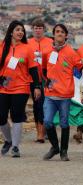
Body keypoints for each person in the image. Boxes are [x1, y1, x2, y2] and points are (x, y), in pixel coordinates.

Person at [42, 24, 83, 161]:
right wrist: (49, 83)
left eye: (62, 32)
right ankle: (55, 147)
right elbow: (44, 69)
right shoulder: (47, 51)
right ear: (53, 34)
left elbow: (81, 68)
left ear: (66, 35)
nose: (59, 33)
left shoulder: (72, 52)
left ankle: (64, 151)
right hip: (50, 94)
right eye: (57, 31)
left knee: (64, 123)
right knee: (48, 122)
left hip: (65, 95)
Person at [0, 20, 41, 157]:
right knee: (1, 117)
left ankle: (15, 147)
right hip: (3, 87)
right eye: (17, 29)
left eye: (22, 30)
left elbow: (34, 69)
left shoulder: (27, 48)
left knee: (17, 116)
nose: (20, 32)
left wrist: (37, 86)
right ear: (11, 32)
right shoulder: (2, 46)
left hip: (21, 87)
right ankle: (8, 140)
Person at [28, 19, 53, 143]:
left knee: (48, 104)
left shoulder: (50, 42)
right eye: (35, 28)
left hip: (48, 79)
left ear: (44, 29)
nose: (38, 30)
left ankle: (47, 129)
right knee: (37, 105)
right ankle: (40, 133)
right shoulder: (28, 43)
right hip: (33, 79)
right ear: (32, 29)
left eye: (40, 28)